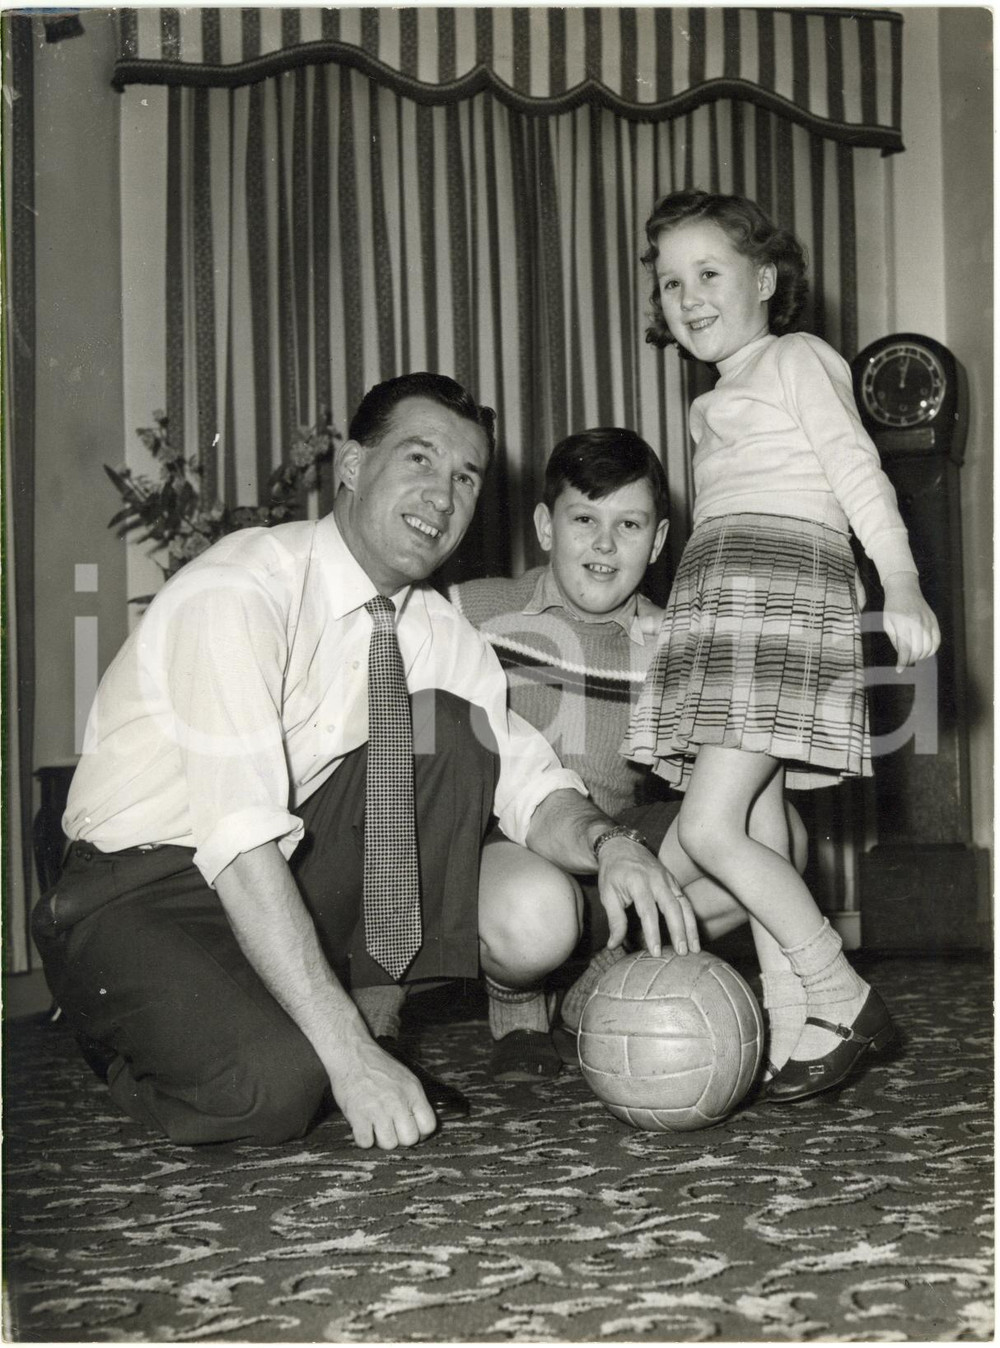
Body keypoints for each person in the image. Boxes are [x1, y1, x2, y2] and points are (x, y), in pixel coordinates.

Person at [32, 372, 703, 1153]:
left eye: (464, 476)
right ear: (350, 465)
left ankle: (373, 1027)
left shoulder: (434, 630)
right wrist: (340, 1059)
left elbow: (530, 784)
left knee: (452, 729)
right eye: (419, 459)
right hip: (135, 887)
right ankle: (115, 1026)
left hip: (282, 870)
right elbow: (239, 839)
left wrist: (612, 845)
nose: (442, 495)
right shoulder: (239, 589)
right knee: (276, 1090)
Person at [621, 189, 941, 1102]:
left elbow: (857, 473)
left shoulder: (797, 358)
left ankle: (839, 989)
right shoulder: (710, 401)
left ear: (765, 278)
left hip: (783, 595)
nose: (687, 297)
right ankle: (792, 1021)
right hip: (724, 600)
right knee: (758, 824)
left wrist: (903, 579)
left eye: (709, 273)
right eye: (671, 281)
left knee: (710, 827)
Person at [451, 427, 806, 1081]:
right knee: (536, 915)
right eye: (584, 518)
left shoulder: (674, 637)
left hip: (617, 849)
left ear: (661, 539)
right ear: (546, 526)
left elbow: (718, 785)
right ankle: (516, 999)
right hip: (507, 855)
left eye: (630, 524)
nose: (605, 545)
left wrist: (700, 663)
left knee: (773, 837)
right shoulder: (471, 609)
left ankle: (600, 978)